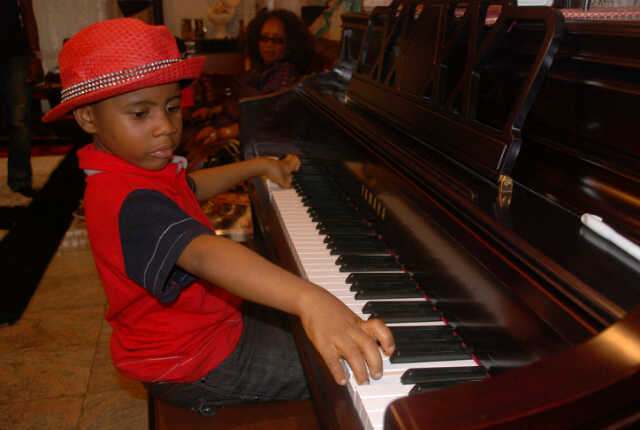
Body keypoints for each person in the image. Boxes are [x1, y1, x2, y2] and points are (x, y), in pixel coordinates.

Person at [42, 18, 394, 415]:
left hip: (205, 328)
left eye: (172, 107)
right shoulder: (127, 198)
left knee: (304, 317)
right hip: (193, 361)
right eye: (140, 114)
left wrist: (256, 166)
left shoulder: (129, 170)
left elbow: (189, 186)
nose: (165, 128)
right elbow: (204, 254)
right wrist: (310, 299)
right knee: (348, 365)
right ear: (88, 118)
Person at [192, 9, 314, 138]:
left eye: (277, 40)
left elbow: (266, 119)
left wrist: (220, 133)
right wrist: (212, 111)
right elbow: (240, 101)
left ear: (289, 45)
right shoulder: (260, 70)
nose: (269, 45)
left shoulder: (285, 75)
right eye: (264, 39)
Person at [1, 0, 44, 197]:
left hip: (16, 55)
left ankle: (20, 180)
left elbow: (28, 14)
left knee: (19, 121)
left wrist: (35, 56)